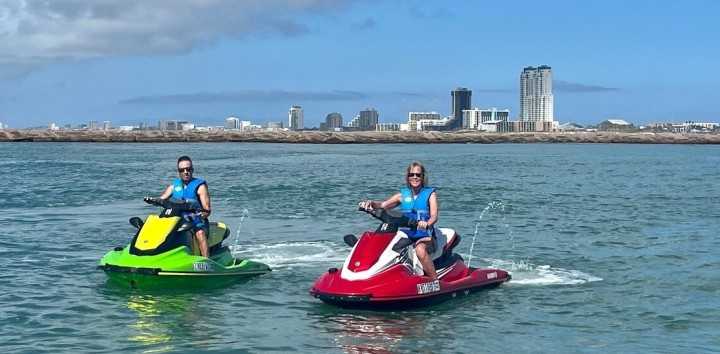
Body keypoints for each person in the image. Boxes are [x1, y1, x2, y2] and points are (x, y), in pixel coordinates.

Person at [358, 161, 438, 280]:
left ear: (422, 177)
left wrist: (426, 224)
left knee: (420, 250)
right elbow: (383, 205)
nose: (415, 177)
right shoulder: (402, 195)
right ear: (408, 177)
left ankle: (435, 281)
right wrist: (369, 203)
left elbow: (434, 216)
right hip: (406, 234)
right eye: (412, 175)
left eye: (418, 174)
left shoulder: (430, 194)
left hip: (425, 234)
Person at [154, 155, 212, 258]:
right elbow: (161, 200)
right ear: (179, 171)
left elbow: (207, 210)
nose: (185, 172)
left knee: (200, 233)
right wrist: (152, 200)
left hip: (196, 220)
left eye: (188, 169)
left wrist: (201, 215)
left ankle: (206, 260)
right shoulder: (173, 186)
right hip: (177, 219)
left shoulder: (200, 187)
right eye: (182, 170)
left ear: (192, 170)